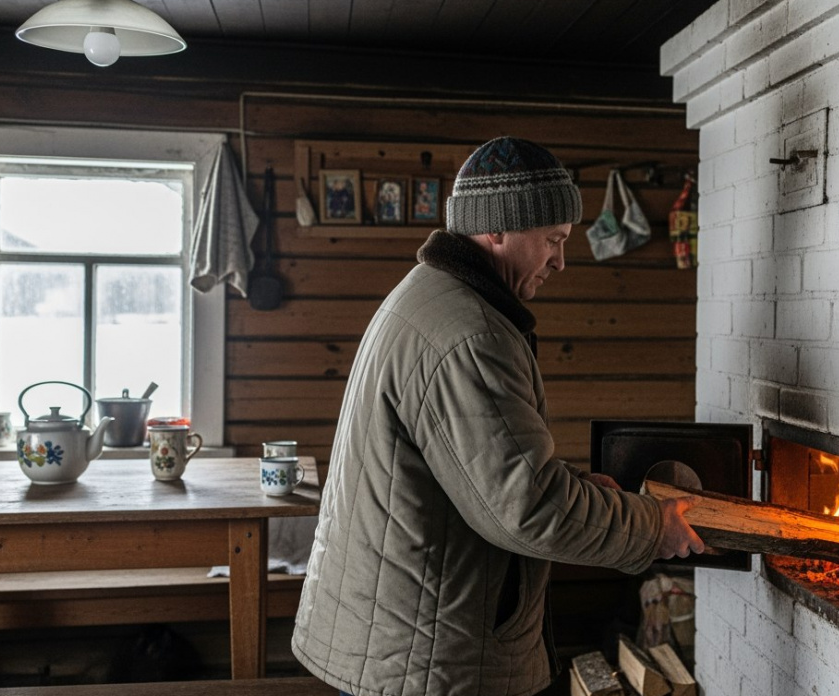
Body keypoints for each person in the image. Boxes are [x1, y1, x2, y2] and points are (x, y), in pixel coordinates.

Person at [291, 137, 704, 696]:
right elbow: (526, 508)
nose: (560, 259)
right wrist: (653, 525)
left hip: (404, 637)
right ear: (500, 230)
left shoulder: (434, 301)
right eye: (553, 240)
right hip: (428, 656)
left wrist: (581, 488)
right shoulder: (469, 335)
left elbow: (480, 472)